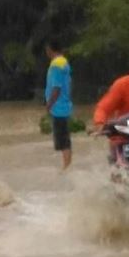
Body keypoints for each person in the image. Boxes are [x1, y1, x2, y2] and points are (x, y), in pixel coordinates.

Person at [45, 38, 74, 170]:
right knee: (65, 138)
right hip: (65, 105)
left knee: (63, 141)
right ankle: (66, 165)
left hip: (58, 107)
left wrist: (49, 104)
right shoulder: (64, 62)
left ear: (50, 50)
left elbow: (56, 88)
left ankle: (66, 167)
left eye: (47, 49)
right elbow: (68, 84)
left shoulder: (56, 65)